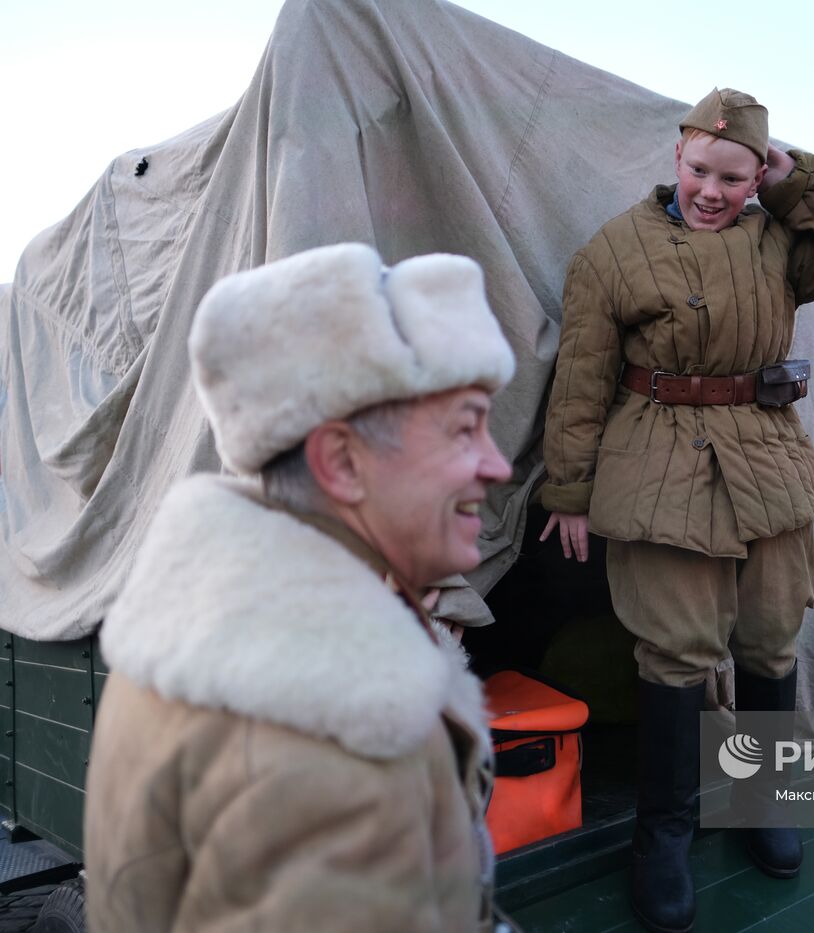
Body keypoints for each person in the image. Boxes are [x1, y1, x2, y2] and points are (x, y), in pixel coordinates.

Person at [84, 244, 516, 932]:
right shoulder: (334, 755)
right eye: (466, 428)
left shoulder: (218, 626)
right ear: (342, 460)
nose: (498, 465)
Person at [540, 87, 814, 932]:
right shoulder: (612, 251)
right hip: (656, 460)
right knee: (676, 651)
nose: (711, 191)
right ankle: (664, 833)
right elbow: (581, 378)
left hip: (765, 456)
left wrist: (790, 180)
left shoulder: (779, 241)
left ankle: (765, 800)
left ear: (753, 176)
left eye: (734, 177)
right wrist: (569, 492)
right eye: (700, 169)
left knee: (772, 632)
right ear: (676, 158)